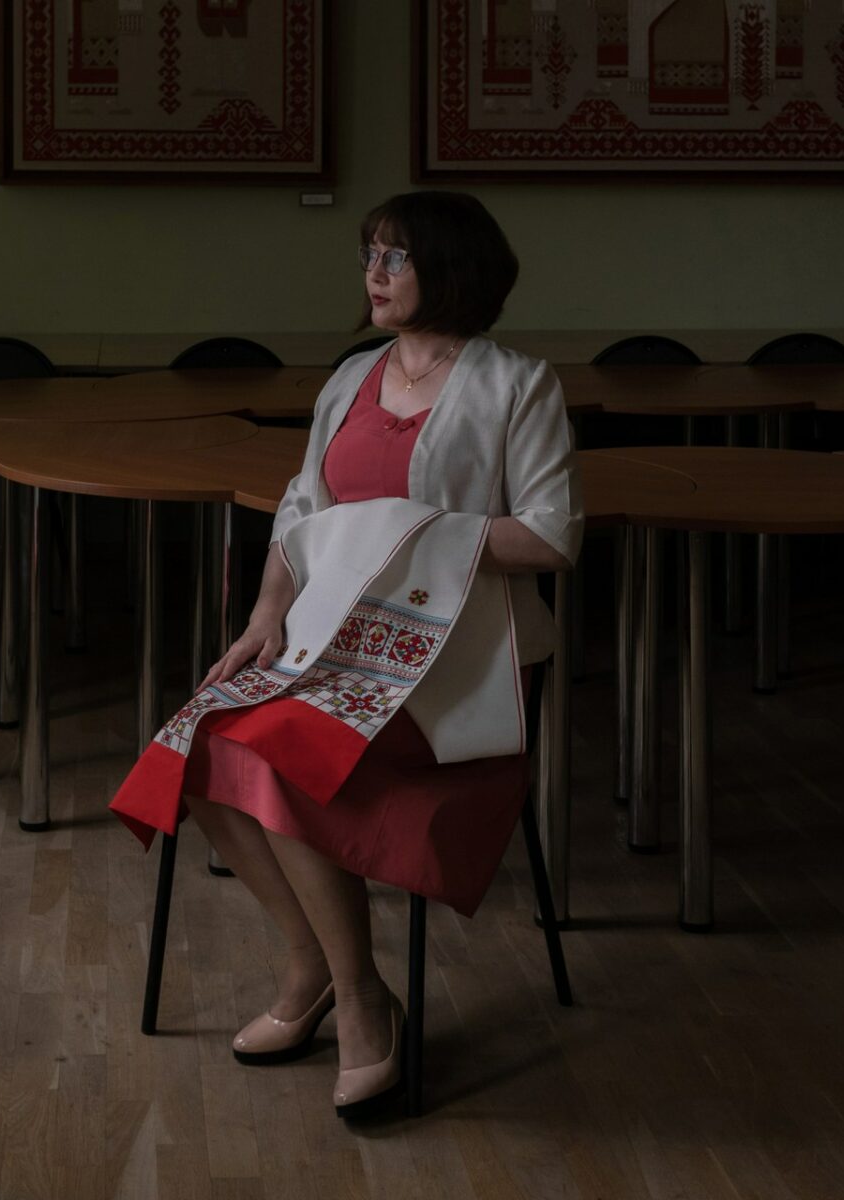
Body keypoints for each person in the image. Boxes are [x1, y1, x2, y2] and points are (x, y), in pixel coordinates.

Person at [110, 190, 582, 1118]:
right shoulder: (350, 379)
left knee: (278, 751)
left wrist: (405, 534)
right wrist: (261, 620)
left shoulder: (518, 385)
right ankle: (318, 965)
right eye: (369, 252)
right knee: (198, 743)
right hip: (332, 644)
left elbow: (554, 536)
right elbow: (301, 515)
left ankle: (362, 1003)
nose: (373, 272)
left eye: (395, 257)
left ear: (449, 269)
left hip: (460, 660)